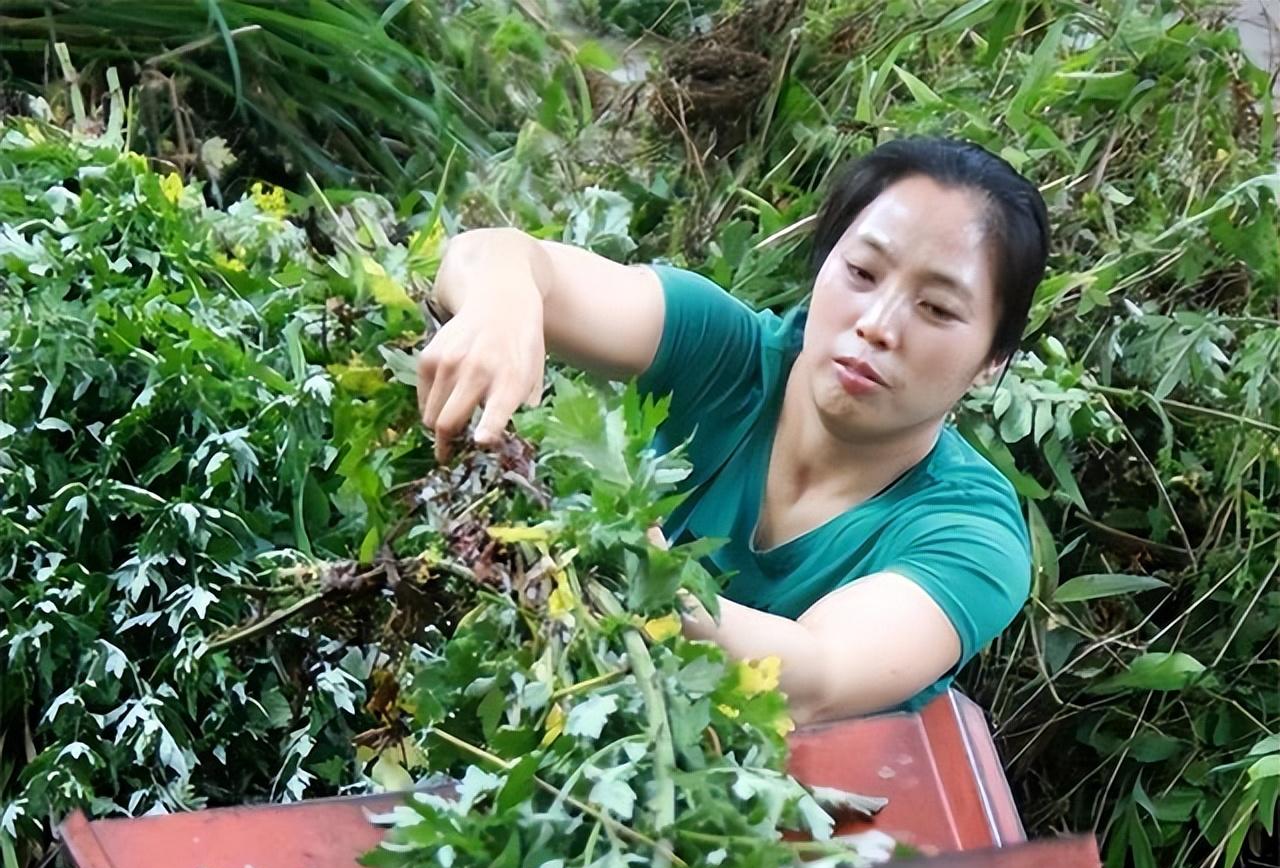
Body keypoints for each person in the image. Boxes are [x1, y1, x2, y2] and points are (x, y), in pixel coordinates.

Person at [416, 136, 1051, 726]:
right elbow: (488, 254)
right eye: (861, 273)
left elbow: (812, 677)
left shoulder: (971, 536)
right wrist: (503, 303)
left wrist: (625, 555)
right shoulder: (728, 356)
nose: (877, 324)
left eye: (937, 308)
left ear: (992, 360)